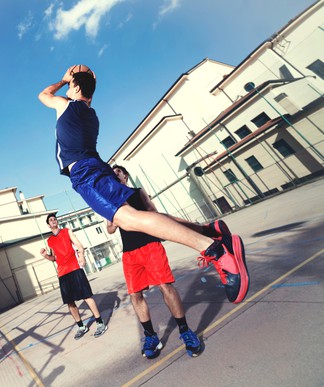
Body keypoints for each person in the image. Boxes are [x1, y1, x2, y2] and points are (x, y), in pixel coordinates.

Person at [38, 65, 249, 304]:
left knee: (129, 219)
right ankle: (208, 230)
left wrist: (63, 80)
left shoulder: (67, 106)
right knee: (138, 217)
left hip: (85, 173)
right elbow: (76, 94)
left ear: (74, 87)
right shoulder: (91, 115)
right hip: (96, 166)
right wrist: (78, 81)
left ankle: (217, 250)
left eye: (72, 85)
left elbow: (43, 95)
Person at [108, 164, 206, 359]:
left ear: (125, 176)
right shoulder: (111, 200)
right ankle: (151, 336)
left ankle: (185, 331)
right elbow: (110, 229)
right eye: (112, 172)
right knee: (135, 295)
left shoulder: (137, 192)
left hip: (150, 245)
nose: (115, 173)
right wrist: (111, 218)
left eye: (118, 171)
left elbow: (153, 211)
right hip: (130, 253)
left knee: (165, 286)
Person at [40, 213, 108, 339]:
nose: (54, 220)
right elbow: (54, 257)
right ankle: (81, 326)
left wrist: (81, 256)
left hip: (74, 268)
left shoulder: (67, 231)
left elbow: (79, 245)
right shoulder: (49, 241)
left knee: (86, 296)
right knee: (70, 302)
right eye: (51, 220)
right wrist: (46, 256)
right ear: (49, 225)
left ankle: (100, 322)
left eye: (55, 218)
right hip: (62, 273)